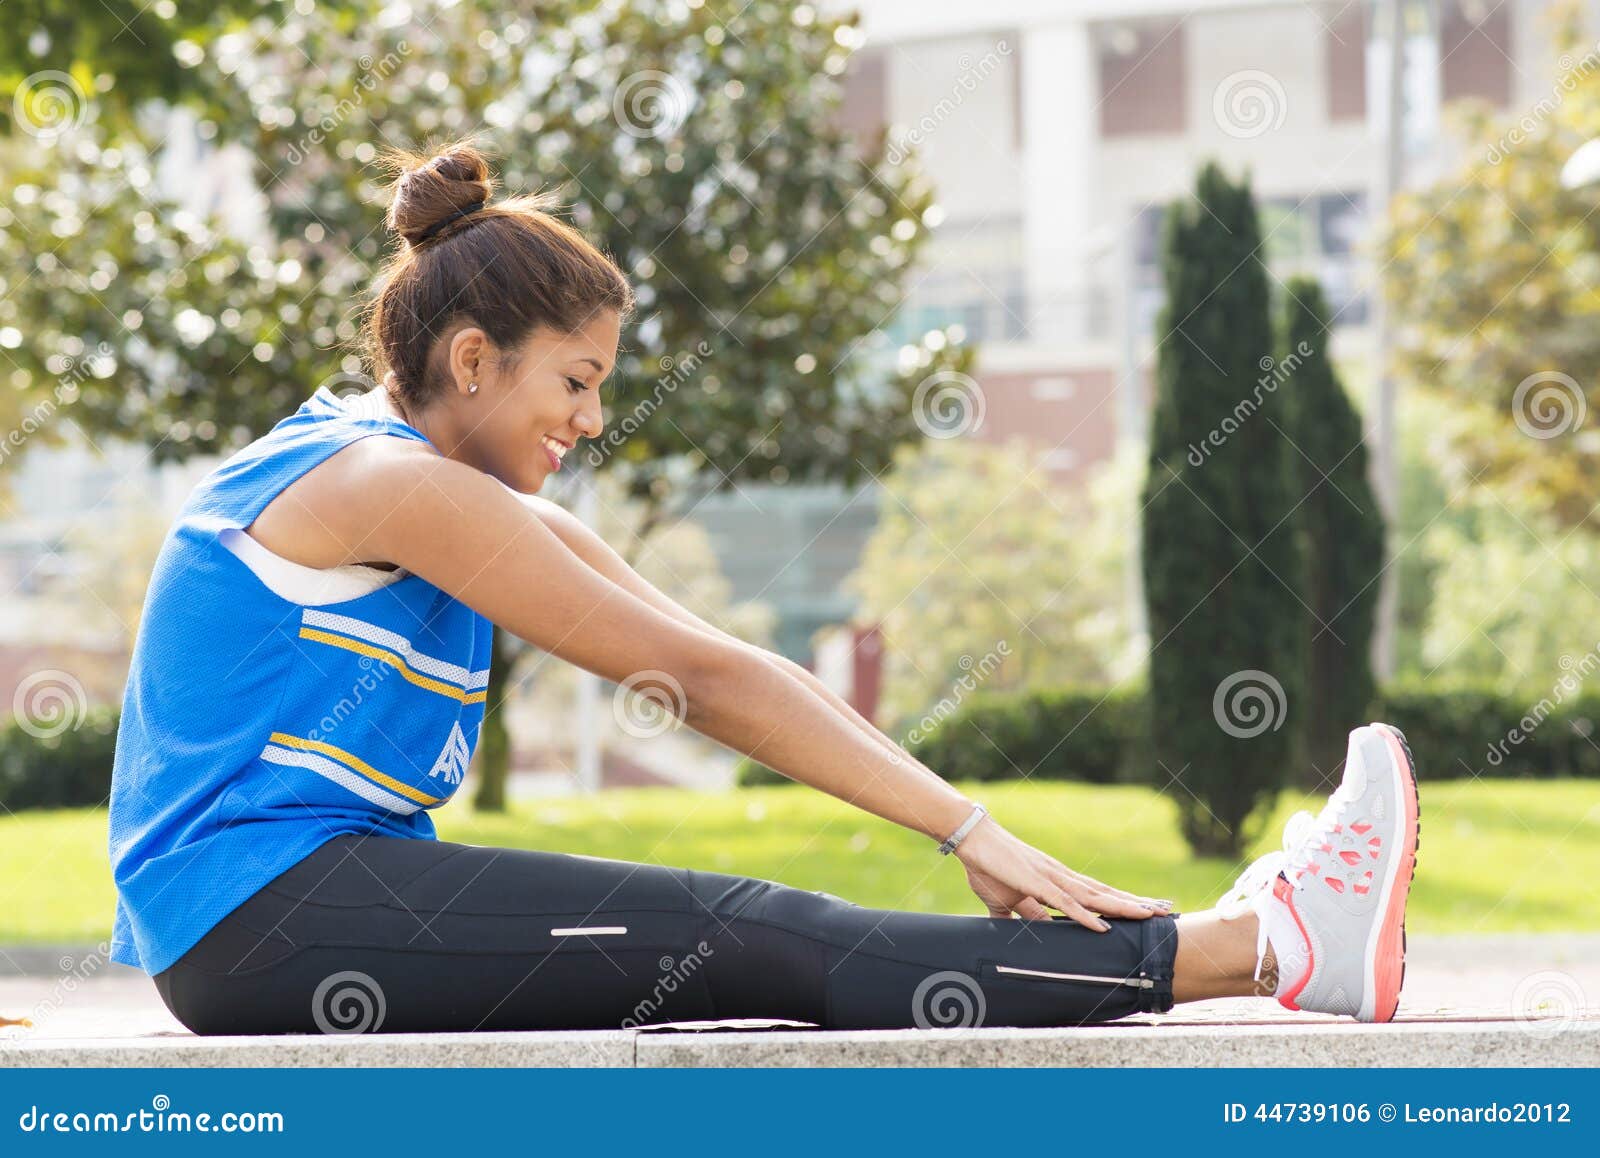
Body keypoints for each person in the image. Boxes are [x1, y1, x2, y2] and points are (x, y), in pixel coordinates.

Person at [108, 143, 1420, 1036]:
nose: (593, 417)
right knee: (756, 928)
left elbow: (710, 649)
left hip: (291, 910)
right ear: (470, 359)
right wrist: (972, 835)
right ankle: (1269, 946)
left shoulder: (422, 481)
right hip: (260, 921)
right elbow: (704, 687)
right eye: (576, 379)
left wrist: (962, 822)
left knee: (746, 930)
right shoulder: (394, 487)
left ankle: (1270, 938)